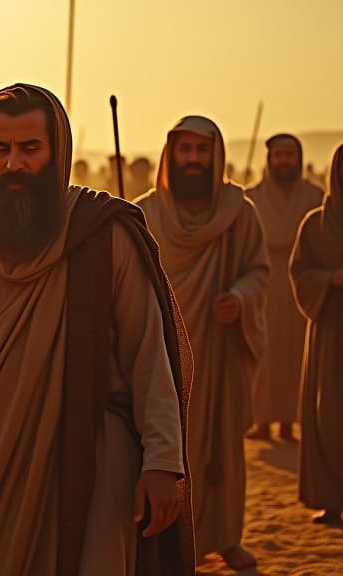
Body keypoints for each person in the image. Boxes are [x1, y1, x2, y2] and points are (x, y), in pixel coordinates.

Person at [0, 83, 193, 575]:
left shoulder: (105, 237)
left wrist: (162, 460)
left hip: (93, 463)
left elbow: (149, 355)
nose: (13, 163)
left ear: (58, 153)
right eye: (1, 148)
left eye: (29, 149)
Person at [135, 115, 269, 571]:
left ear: (216, 156)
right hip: (158, 358)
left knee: (219, 451)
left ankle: (225, 537)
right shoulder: (144, 214)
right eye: (185, 150)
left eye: (202, 150)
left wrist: (240, 298)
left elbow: (258, 270)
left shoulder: (239, 213)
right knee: (156, 449)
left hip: (216, 351)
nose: (193, 159)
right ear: (171, 155)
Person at [245, 134, 324, 442]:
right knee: (263, 351)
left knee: (296, 351)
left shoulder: (315, 196)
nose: (284, 161)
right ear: (269, 159)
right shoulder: (251, 196)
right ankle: (262, 420)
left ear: (299, 158)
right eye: (278, 155)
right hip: (263, 279)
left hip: (302, 283)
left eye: (289, 155)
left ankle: (292, 421)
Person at [290, 144, 343, 526]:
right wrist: (332, 279)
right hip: (330, 331)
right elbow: (300, 272)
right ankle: (331, 499)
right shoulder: (315, 224)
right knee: (329, 414)